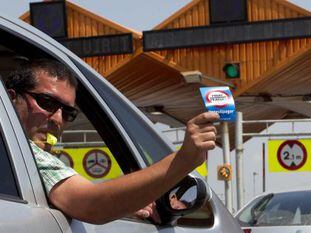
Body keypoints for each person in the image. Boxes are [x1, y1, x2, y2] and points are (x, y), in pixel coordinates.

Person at [5, 59, 219, 224]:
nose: (58, 119)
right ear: (11, 98)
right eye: (46, 102)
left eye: (68, 112)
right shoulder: (25, 154)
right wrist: (183, 160)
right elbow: (91, 204)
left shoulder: (14, 163)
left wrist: (122, 203)